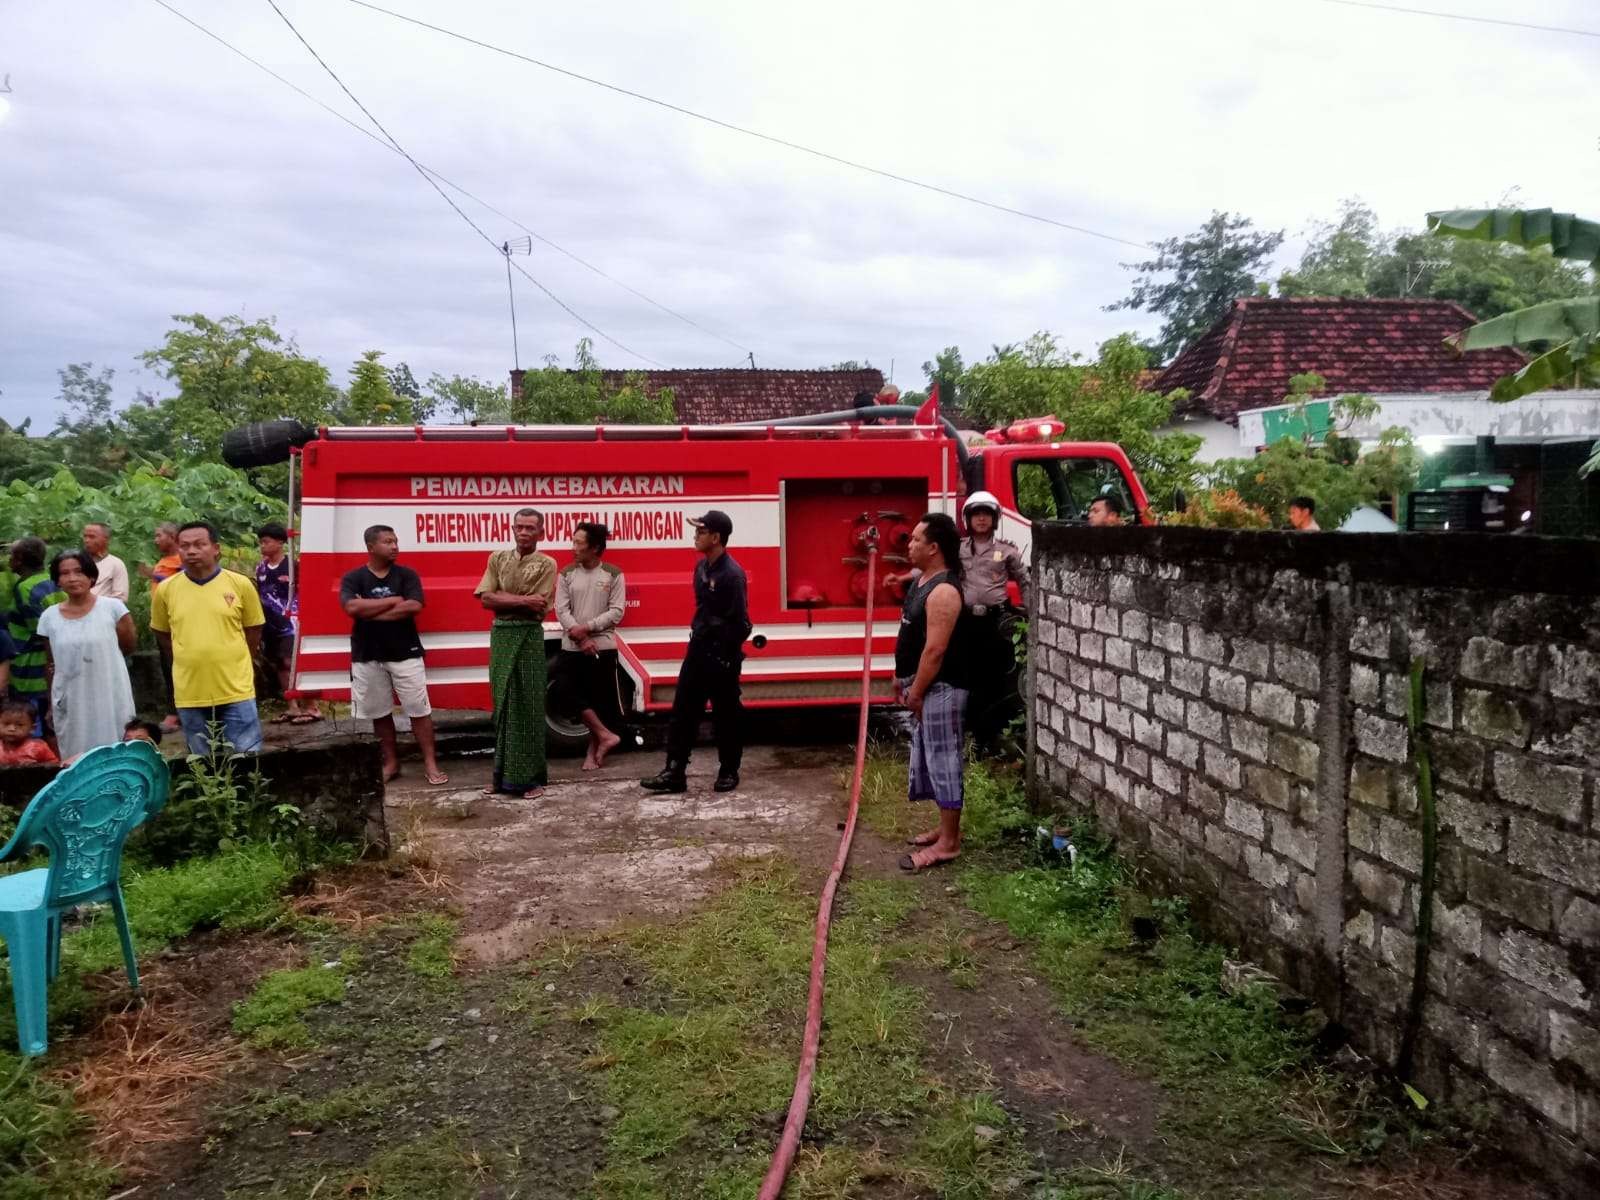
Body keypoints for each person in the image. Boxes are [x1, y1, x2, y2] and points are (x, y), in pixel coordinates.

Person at [641, 510, 750, 795]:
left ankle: (728, 771)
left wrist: (726, 656)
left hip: (722, 653)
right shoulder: (701, 568)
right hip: (698, 649)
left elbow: (740, 623)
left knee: (726, 715)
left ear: (716, 538)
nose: (695, 536)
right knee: (683, 711)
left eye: (701, 532)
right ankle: (674, 772)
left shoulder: (732, 575)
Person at [341, 524, 448, 786]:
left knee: (419, 709)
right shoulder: (353, 578)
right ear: (371, 547)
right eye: (388, 542)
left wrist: (371, 613)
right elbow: (351, 606)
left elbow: (413, 605)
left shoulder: (406, 575)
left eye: (395, 541)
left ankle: (430, 763)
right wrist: (392, 601)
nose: (395, 546)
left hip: (405, 653)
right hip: (368, 655)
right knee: (380, 711)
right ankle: (391, 762)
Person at [150, 521, 265, 755]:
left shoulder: (240, 584)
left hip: (236, 688)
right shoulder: (166, 590)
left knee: (246, 759)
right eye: (185, 546)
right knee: (201, 763)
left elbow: (253, 630)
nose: (191, 551)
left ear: (215, 548)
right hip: (190, 692)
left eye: (199, 544)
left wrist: (241, 660)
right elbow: (162, 634)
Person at [896, 513, 971, 872]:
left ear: (934, 547)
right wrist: (901, 678)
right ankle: (943, 830)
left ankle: (950, 843)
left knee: (944, 760)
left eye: (915, 540)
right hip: (924, 686)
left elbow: (935, 651)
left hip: (942, 688)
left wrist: (917, 692)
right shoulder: (923, 580)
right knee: (931, 759)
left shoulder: (944, 591)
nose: (909, 545)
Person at [475, 508, 557, 799]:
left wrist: (505, 600)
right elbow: (486, 599)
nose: (523, 533)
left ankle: (531, 780)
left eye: (530, 528)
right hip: (501, 636)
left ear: (541, 533)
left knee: (529, 706)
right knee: (504, 706)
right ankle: (501, 779)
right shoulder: (497, 558)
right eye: (519, 527)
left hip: (528, 637)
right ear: (512, 529)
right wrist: (523, 600)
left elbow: (540, 607)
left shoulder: (547, 564)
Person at [36, 548, 137, 762]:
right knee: (76, 758)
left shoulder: (113, 608)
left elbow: (128, 646)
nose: (72, 578)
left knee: (116, 752)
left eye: (79, 572)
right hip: (71, 699)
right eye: (65, 573)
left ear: (91, 576)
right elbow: (51, 662)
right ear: (57, 580)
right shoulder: (49, 617)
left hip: (110, 693)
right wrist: (52, 704)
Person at [957, 491, 1030, 756]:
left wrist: (1032, 612)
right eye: (976, 514)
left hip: (996, 624)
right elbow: (935, 570)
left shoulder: (1006, 550)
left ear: (995, 519)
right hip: (966, 624)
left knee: (997, 682)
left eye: (986, 514)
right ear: (967, 518)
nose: (981, 519)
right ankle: (972, 738)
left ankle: (994, 739)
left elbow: (1024, 580)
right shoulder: (958, 549)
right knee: (968, 680)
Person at [552, 522, 626, 771]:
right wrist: (580, 636)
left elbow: (616, 611)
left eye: (579, 543)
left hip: (602, 646)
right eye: (573, 542)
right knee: (563, 691)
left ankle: (594, 751)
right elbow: (561, 609)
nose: (573, 548)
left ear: (594, 548)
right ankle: (605, 735)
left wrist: (589, 627)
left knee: (598, 701)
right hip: (572, 645)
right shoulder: (566, 574)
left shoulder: (613, 574)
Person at [256, 521, 321, 725]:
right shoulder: (261, 568)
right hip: (270, 623)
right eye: (261, 542)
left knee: (295, 663)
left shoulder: (293, 566)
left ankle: (312, 707)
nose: (263, 546)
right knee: (279, 665)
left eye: (266, 542)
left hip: (292, 623)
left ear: (280, 542)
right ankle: (292, 707)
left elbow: (308, 591)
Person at [7, 537, 64, 740]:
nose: (8, 559)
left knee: (32, 721)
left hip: (29, 668)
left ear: (20, 558)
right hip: (51, 664)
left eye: (11, 554)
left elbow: (40, 630)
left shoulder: (24, 588)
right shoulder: (51, 580)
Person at [139, 522, 185, 734]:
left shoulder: (182, 560)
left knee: (179, 666)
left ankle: (178, 712)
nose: (156, 540)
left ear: (173, 536)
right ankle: (175, 710)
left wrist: (153, 575)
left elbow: (183, 581)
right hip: (163, 623)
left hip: (180, 622)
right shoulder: (164, 561)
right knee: (168, 668)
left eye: (159, 535)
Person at [80, 522, 130, 602]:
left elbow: (120, 598)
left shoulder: (116, 564)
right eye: (85, 536)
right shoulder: (76, 562)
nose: (87, 540)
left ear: (106, 539)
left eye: (92, 537)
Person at [0, 699, 58, 766]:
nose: (12, 729)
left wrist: (36, 766)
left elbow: (54, 765)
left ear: (32, 728)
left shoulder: (38, 747)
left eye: (19, 725)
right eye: (6, 724)